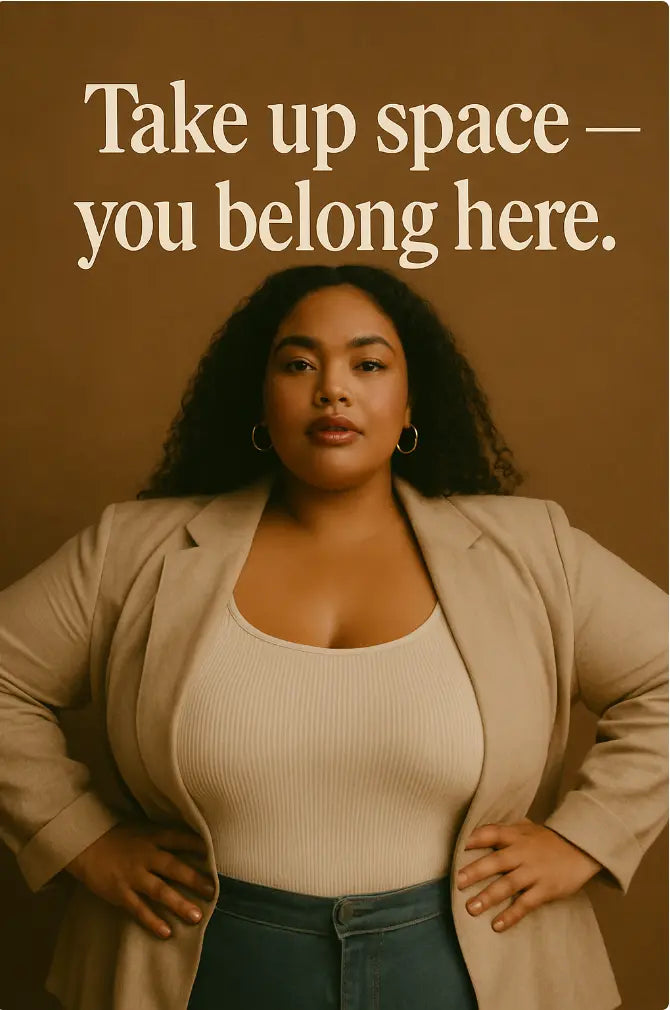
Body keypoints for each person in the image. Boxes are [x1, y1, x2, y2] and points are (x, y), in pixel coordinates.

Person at [0, 263, 666, 1010]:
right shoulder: (134, 550)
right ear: (261, 395)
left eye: (369, 363)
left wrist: (587, 835)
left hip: (475, 976)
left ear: (412, 399)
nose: (332, 389)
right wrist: (78, 837)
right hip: (198, 970)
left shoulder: (530, 547)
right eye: (298, 364)